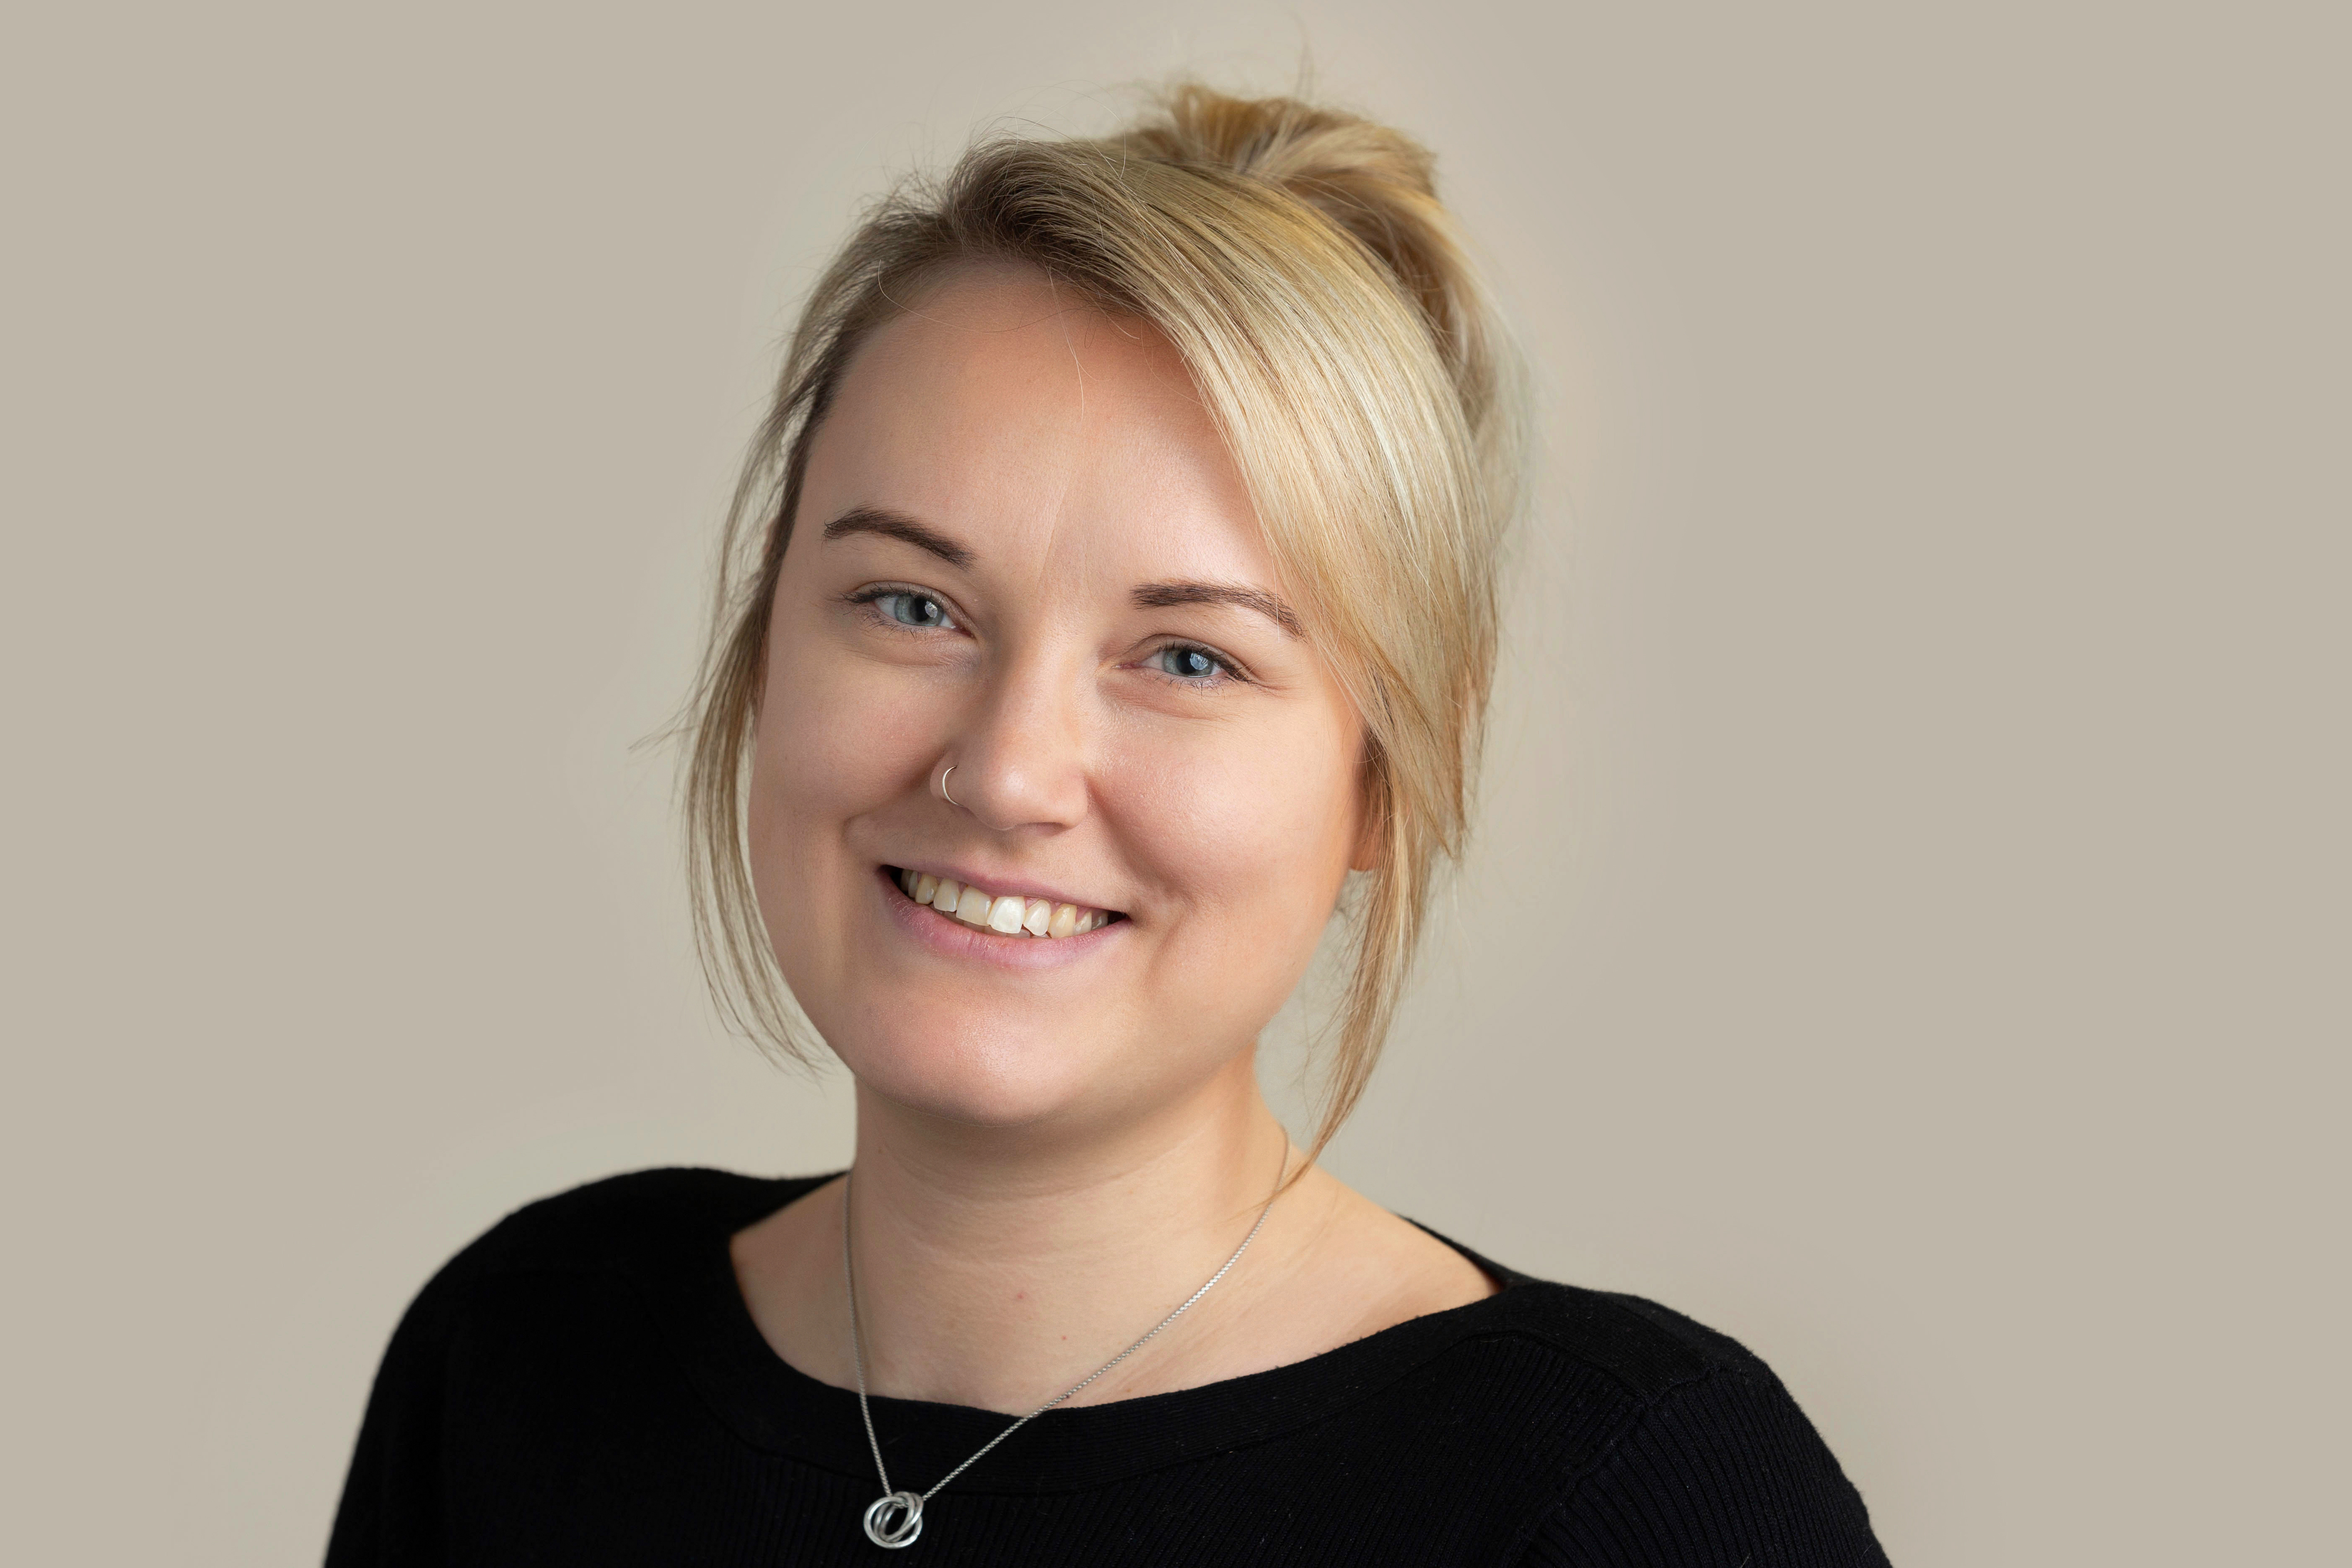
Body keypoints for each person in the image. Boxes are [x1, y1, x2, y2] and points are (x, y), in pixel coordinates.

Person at [327, 85, 1890, 1565]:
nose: (1008, 771)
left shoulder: (1626, 1496)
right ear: (761, 648)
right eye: (911, 604)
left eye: (1190, 656)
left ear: (1384, 778)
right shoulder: (523, 1350)